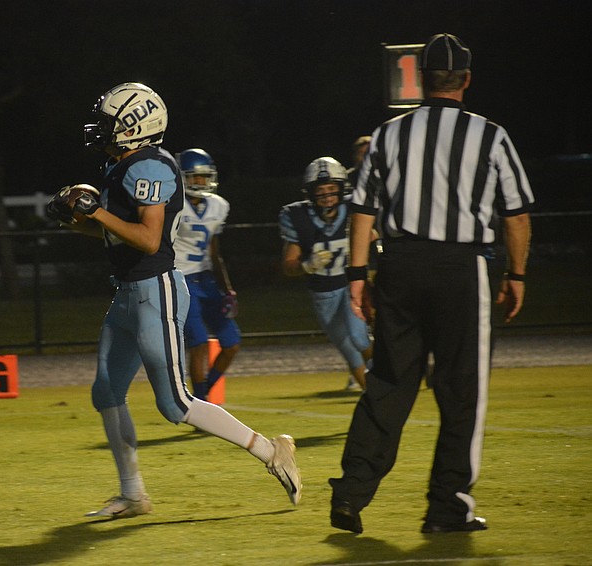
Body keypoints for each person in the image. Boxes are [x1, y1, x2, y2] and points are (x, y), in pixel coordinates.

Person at [45, 82, 301, 519]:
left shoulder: (152, 167)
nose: (101, 131)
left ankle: (271, 450)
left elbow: (147, 239)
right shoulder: (120, 165)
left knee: (175, 404)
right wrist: (76, 220)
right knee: (106, 391)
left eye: (109, 123)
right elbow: (111, 231)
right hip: (128, 292)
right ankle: (133, 494)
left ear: (135, 125)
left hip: (155, 290)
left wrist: (96, 211)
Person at [329, 33, 534, 534]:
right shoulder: (490, 135)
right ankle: (447, 506)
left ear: (419, 78)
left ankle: (352, 493)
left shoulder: (388, 134)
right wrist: (517, 274)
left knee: (389, 383)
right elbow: (517, 215)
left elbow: (362, 211)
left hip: (399, 266)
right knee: (462, 391)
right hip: (462, 269)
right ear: (465, 79)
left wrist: (358, 276)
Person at [278, 157, 373, 391]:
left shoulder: (354, 209)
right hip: (323, 292)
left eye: (332, 189)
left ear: (342, 188)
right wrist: (306, 266)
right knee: (349, 350)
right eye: (321, 190)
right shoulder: (296, 215)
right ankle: (374, 398)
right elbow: (288, 265)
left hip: (351, 284)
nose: (327, 195)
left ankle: (388, 375)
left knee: (359, 337)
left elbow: (375, 235)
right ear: (311, 192)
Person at [173, 148, 240, 401]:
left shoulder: (219, 206)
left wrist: (228, 289)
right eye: (194, 177)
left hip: (207, 281)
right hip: (180, 279)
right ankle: (201, 403)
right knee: (198, 342)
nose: (200, 182)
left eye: (203, 177)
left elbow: (214, 252)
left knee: (232, 343)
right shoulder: (173, 205)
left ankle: (203, 396)